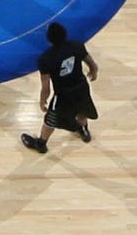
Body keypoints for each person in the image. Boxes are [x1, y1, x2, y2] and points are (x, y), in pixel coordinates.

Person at [24, 23, 97, 155]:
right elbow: (91, 62)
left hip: (63, 94)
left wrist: (42, 100)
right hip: (81, 87)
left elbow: (46, 87)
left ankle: (41, 143)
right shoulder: (77, 45)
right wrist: (94, 71)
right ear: (65, 34)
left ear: (48, 38)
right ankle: (84, 131)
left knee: (50, 120)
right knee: (82, 110)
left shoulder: (46, 58)